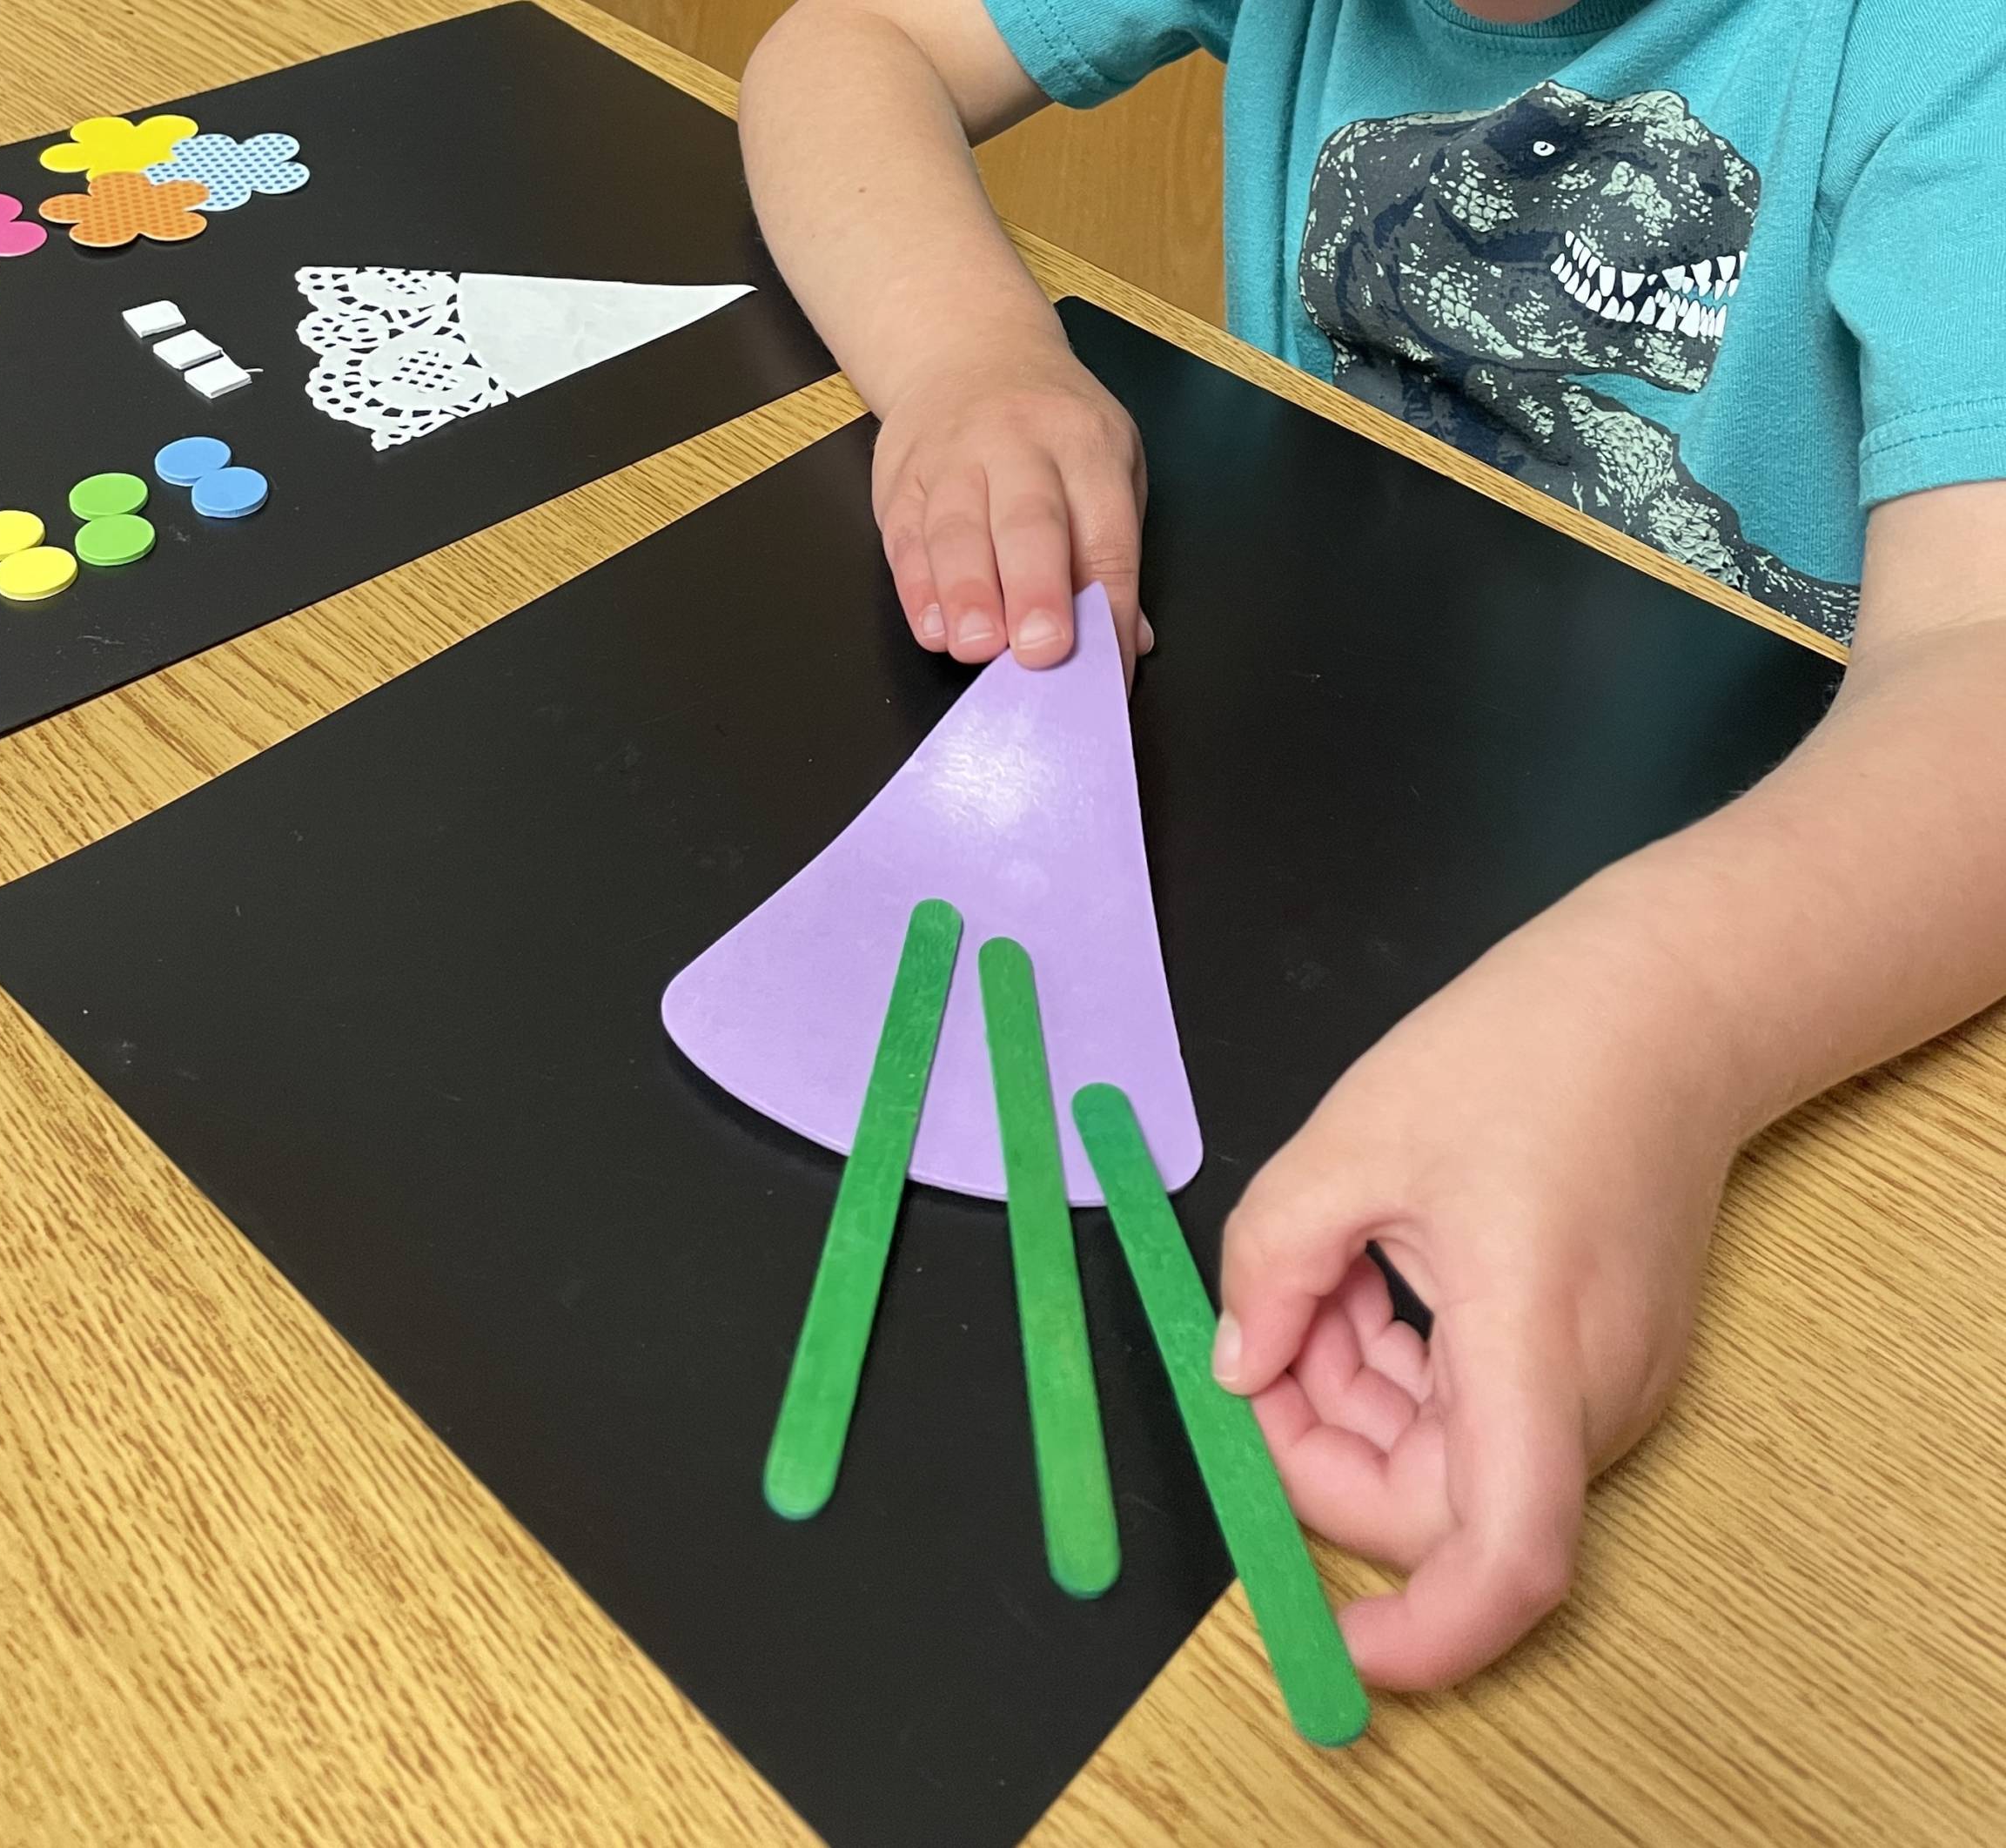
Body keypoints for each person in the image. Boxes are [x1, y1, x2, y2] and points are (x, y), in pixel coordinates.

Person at [739, 0, 2006, 1690]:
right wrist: (972, 354)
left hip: (1816, 976)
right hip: (1312, 862)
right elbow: (843, 51)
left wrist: (1659, 1029)